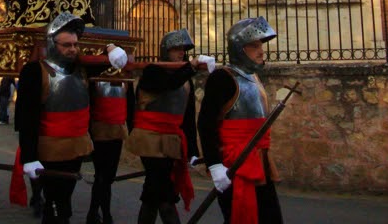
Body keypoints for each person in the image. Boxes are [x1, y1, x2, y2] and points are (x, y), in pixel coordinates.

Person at [14, 13, 129, 224]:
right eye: (66, 45)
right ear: (52, 44)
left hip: (76, 148)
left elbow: (107, 60)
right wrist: (28, 157)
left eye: (75, 44)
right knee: (57, 205)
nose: (73, 49)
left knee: (64, 199)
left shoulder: (81, 68)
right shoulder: (34, 71)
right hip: (50, 150)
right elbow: (26, 118)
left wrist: (111, 47)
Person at [198, 17, 284, 224]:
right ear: (239, 48)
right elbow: (206, 123)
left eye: (261, 44)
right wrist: (215, 165)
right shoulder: (223, 78)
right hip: (234, 163)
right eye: (254, 45)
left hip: (259, 159)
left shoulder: (253, 77)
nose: (261, 51)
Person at [126, 29, 215, 224]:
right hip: (149, 138)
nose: (181, 53)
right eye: (176, 49)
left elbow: (188, 119)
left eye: (183, 49)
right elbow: (166, 84)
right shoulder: (152, 72)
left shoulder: (185, 81)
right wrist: (189, 68)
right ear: (166, 50)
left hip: (171, 140)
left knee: (153, 193)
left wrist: (192, 150)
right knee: (164, 194)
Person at [87, 72, 131, 224]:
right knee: (102, 176)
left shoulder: (124, 77)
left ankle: (96, 213)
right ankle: (101, 214)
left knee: (107, 177)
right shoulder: (95, 77)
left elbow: (130, 104)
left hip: (117, 130)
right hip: (99, 130)